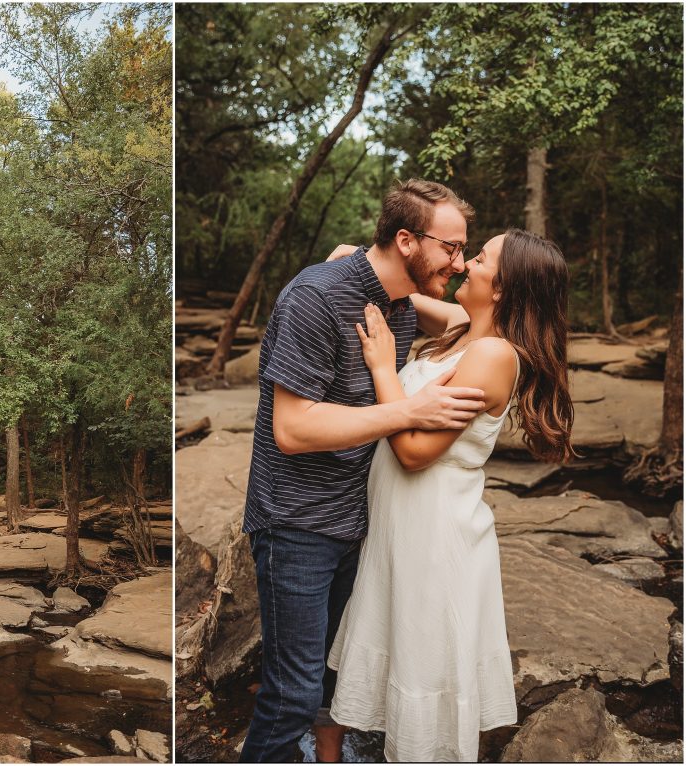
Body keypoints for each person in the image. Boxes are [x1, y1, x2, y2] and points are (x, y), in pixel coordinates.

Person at [240, 179, 489, 763]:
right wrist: (406, 410)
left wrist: (357, 257)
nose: (458, 262)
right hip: (296, 523)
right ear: (406, 239)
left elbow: (477, 318)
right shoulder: (314, 298)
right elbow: (292, 429)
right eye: (451, 248)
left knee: (332, 676)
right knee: (292, 692)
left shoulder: (399, 300)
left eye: (465, 251)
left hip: (357, 521)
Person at [323, 229, 575, 761]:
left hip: (435, 536)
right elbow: (406, 294)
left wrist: (382, 368)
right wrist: (360, 263)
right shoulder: (464, 330)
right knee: (402, 652)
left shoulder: (493, 356)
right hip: (403, 527)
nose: (464, 264)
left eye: (480, 258)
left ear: (504, 288)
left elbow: (415, 451)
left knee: (425, 667)